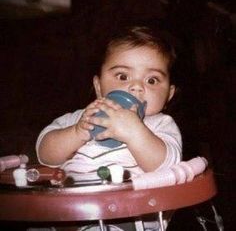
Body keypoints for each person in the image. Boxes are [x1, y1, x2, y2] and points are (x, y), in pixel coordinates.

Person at [35, 26, 182, 231]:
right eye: (123, 76)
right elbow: (45, 154)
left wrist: (134, 132)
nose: (136, 87)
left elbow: (167, 165)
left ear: (169, 94)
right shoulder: (78, 119)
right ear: (98, 86)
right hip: (68, 212)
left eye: (152, 80)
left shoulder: (159, 124)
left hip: (130, 215)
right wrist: (77, 133)